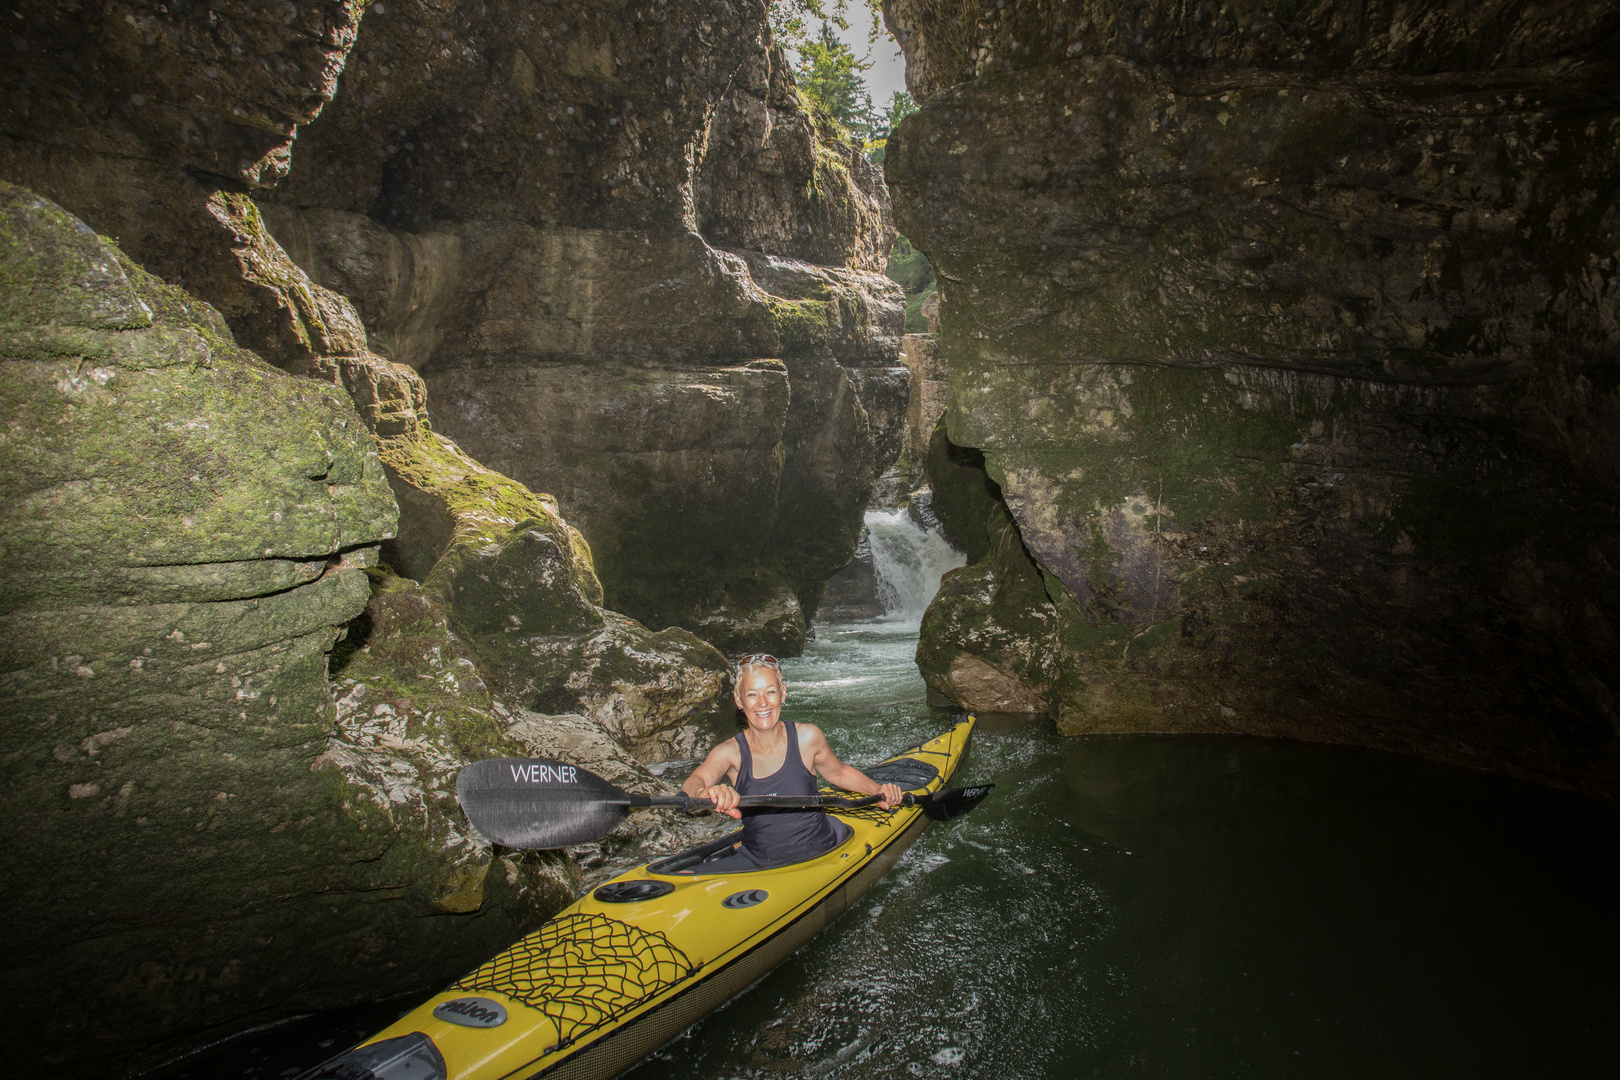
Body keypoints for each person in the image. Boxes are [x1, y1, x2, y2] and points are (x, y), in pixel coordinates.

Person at [680, 653, 904, 870]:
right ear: (739, 700)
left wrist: (877, 791)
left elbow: (839, 772)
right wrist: (704, 794)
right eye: (752, 695)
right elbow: (694, 782)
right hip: (759, 858)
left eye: (770, 692)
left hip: (820, 848)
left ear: (783, 694)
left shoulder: (808, 738)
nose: (763, 703)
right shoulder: (729, 752)